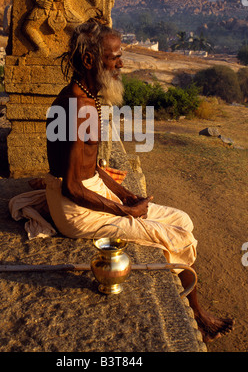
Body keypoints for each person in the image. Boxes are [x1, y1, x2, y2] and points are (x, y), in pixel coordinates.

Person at [27, 21, 233, 343]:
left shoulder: (86, 98)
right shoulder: (78, 107)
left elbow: (91, 168)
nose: (122, 64)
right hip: (76, 211)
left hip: (88, 194)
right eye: (115, 58)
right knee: (176, 238)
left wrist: (126, 194)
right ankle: (196, 313)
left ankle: (192, 305)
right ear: (89, 62)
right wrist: (123, 212)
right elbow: (72, 186)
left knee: (183, 220)